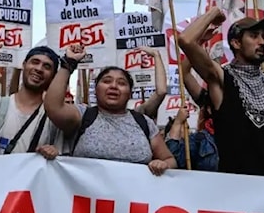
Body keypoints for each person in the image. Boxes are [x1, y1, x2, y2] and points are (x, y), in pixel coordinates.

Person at [178, 8, 264, 194]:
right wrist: (213, 14)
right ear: (236, 43)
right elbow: (185, 40)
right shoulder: (222, 78)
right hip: (240, 191)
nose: (262, 41)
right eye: (254, 36)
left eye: (263, 36)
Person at [37, 44, 176, 176]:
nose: (114, 86)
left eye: (121, 83)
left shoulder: (143, 121)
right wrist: (68, 63)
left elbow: (170, 160)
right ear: (96, 89)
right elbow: (53, 106)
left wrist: (163, 164)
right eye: (107, 81)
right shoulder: (83, 115)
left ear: (129, 93)